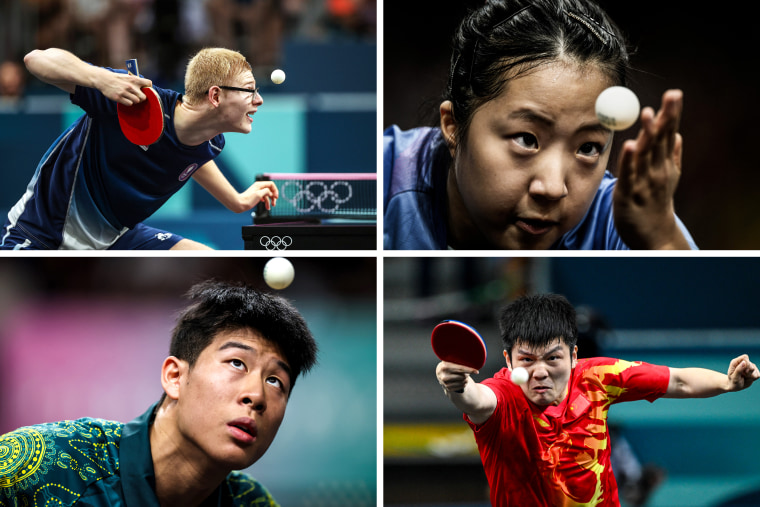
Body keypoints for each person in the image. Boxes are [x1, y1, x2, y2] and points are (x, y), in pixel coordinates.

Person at [384, 0, 698, 250]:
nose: (552, 188)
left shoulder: (620, 219)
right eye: (526, 139)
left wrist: (662, 238)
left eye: (588, 148)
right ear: (452, 126)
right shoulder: (374, 181)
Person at [0, 280, 319, 506]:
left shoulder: (254, 503)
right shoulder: (41, 462)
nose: (257, 396)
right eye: (237, 363)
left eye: (276, 381)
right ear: (175, 376)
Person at [435, 293, 759, 506]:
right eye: (527, 360)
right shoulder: (503, 396)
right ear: (508, 361)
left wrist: (727, 382)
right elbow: (476, 400)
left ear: (574, 356)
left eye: (552, 358)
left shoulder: (598, 377)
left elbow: (678, 380)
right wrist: (457, 384)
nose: (540, 372)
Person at [1, 47, 279, 249]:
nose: (259, 100)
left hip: (112, 238)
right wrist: (100, 78)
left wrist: (237, 201)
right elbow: (35, 59)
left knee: (207, 258)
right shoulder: (133, 99)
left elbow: (191, 157)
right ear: (216, 95)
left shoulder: (211, 142)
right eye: (250, 90)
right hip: (42, 232)